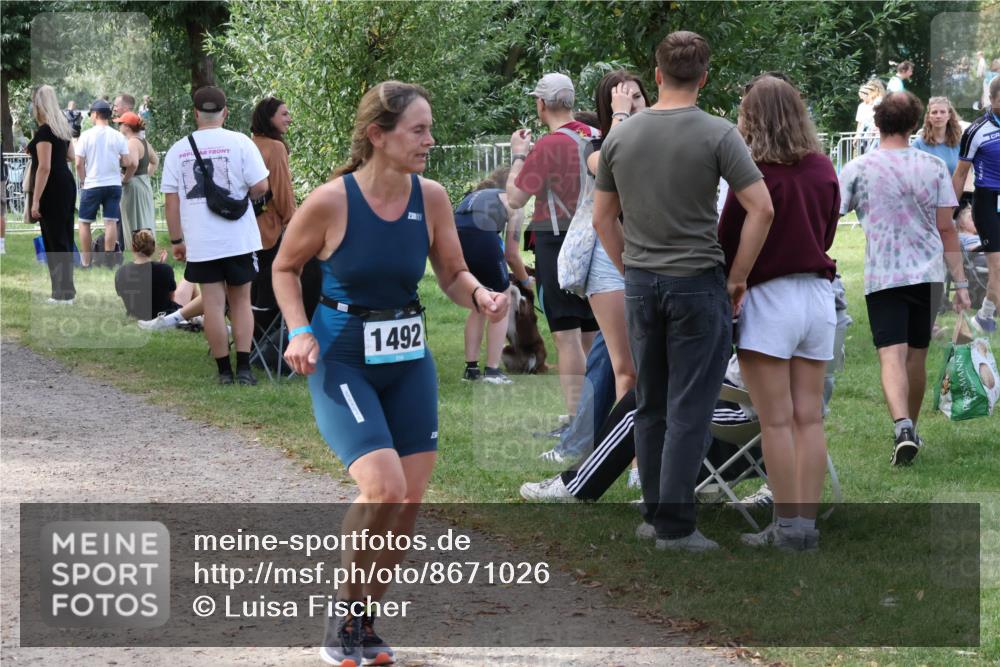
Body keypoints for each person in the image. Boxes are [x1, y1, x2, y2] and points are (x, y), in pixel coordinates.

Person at [273, 81, 508, 667]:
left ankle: (361, 623)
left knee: (407, 503)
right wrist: (299, 330)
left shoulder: (430, 196)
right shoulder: (331, 201)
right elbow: (284, 267)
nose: (430, 140)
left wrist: (479, 294)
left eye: (430, 129)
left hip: (407, 360)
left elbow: (452, 273)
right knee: (384, 488)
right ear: (378, 135)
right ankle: (341, 617)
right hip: (344, 356)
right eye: (418, 130)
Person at [592, 30, 774, 552]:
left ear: (656, 75)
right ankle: (674, 527)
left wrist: (629, 267)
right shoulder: (718, 134)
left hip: (642, 284)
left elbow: (604, 218)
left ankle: (655, 515)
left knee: (650, 403)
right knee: (690, 406)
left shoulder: (620, 139)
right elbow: (761, 207)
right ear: (704, 76)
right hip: (697, 283)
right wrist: (738, 275)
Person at [717, 76, 839, 550]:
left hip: (768, 297)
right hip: (817, 295)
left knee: (777, 420)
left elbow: (730, 239)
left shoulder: (753, 174)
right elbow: (827, 232)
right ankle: (804, 526)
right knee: (810, 418)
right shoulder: (823, 167)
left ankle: (786, 528)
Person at [840, 91, 969, 466]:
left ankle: (902, 428)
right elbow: (947, 229)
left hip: (883, 274)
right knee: (917, 355)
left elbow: (827, 215)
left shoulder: (858, 169)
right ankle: (910, 426)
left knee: (890, 355)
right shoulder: (932, 168)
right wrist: (960, 283)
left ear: (877, 124)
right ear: (915, 124)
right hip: (927, 274)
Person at [506, 72, 600, 422]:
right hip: (597, 237)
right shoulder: (596, 135)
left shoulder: (547, 145)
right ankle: (596, 409)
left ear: (542, 104)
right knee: (591, 331)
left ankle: (577, 419)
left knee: (567, 336)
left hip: (557, 240)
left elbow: (515, 198)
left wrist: (519, 155)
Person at [160, 86, 270, 386]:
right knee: (241, 302)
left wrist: (176, 240)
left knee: (212, 305)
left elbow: (172, 200)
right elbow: (261, 185)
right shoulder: (240, 143)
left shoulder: (177, 149)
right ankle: (245, 368)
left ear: (196, 113)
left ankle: (224, 372)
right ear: (226, 112)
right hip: (238, 238)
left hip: (201, 240)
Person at [579, 69, 651, 402]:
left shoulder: (663, 139)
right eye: (623, 100)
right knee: (628, 370)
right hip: (612, 261)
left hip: (656, 257)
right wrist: (621, 115)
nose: (634, 105)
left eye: (637, 97)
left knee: (654, 366)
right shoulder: (594, 147)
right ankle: (631, 452)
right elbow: (612, 162)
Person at [455, 166, 526, 384]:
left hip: (455, 234)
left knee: (480, 303)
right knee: (499, 301)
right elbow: (512, 255)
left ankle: (471, 370)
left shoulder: (476, 194)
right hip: (481, 235)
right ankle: (493, 371)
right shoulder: (514, 203)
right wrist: (525, 281)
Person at [953, 75, 1000, 334]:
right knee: (998, 266)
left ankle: (985, 316)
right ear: (990, 100)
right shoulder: (976, 131)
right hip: (988, 201)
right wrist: (950, 209)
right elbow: (960, 173)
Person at [27, 85, 77, 303]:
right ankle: (67, 291)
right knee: (64, 237)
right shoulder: (62, 129)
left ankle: (61, 293)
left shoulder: (45, 131)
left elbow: (44, 167)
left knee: (54, 239)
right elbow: (71, 157)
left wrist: (36, 200)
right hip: (65, 182)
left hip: (52, 186)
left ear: (39, 104)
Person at [249, 96, 297, 310]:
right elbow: (282, 189)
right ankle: (264, 338)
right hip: (268, 228)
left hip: (246, 226)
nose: (290, 119)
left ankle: (250, 336)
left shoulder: (250, 143)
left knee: (251, 287)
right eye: (284, 114)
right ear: (269, 118)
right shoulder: (275, 148)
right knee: (269, 290)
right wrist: (292, 221)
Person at [75, 98, 133, 268]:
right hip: (113, 184)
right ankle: (109, 261)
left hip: (92, 184)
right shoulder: (118, 136)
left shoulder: (86, 136)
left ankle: (86, 262)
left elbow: (78, 163)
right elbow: (127, 161)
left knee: (84, 222)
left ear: (95, 114)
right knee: (111, 222)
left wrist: (83, 180)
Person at [115, 229, 203, 325]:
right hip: (165, 315)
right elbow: (171, 298)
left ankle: (200, 314)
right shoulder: (165, 269)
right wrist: (162, 268)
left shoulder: (120, 272)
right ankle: (202, 313)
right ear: (153, 247)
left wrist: (160, 267)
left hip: (138, 316)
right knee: (189, 280)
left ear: (133, 247)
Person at [115, 111, 158, 239]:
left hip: (133, 187)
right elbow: (155, 161)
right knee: (144, 219)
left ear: (127, 126)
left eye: (121, 124)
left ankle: (139, 251)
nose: (119, 126)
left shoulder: (132, 142)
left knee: (134, 221)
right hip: (143, 184)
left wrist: (126, 180)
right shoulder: (143, 141)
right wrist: (145, 176)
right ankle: (146, 248)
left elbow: (133, 164)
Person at [913, 96, 963, 176]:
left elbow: (965, 175)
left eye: (942, 112)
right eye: (934, 112)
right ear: (929, 116)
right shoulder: (918, 145)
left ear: (949, 115)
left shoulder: (960, 144)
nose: (938, 116)